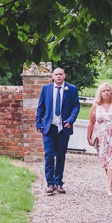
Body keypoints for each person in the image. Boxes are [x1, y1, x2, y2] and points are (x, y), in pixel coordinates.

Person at [35, 66, 81, 195]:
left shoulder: (71, 89)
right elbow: (41, 107)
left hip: (63, 128)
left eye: (61, 74)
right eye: (56, 74)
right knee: (49, 155)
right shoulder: (46, 89)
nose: (58, 76)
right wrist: (38, 123)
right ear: (52, 77)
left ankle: (59, 182)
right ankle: (50, 183)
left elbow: (76, 106)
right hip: (49, 127)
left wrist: (70, 120)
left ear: (64, 76)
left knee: (61, 155)